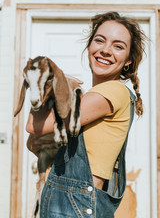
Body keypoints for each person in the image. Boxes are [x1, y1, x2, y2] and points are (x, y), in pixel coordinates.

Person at [26, 11, 146, 217]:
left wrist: (50, 87)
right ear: (89, 46)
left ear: (128, 60)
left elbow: (34, 126)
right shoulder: (91, 98)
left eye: (118, 46)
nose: (106, 50)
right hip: (66, 202)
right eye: (100, 40)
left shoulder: (112, 92)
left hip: (75, 206)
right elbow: (35, 140)